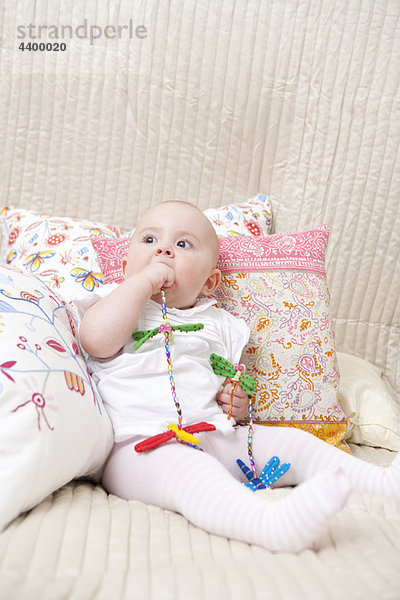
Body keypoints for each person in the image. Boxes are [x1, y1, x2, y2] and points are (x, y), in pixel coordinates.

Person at [78, 201, 399, 553]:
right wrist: (141, 284)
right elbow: (95, 341)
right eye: (150, 239)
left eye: (183, 245)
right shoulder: (114, 304)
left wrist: (235, 404)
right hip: (139, 449)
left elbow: (224, 393)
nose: (164, 249)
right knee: (194, 474)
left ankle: (378, 481)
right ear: (124, 267)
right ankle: (267, 524)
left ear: (209, 281)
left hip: (216, 434)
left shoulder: (220, 325)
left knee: (293, 443)